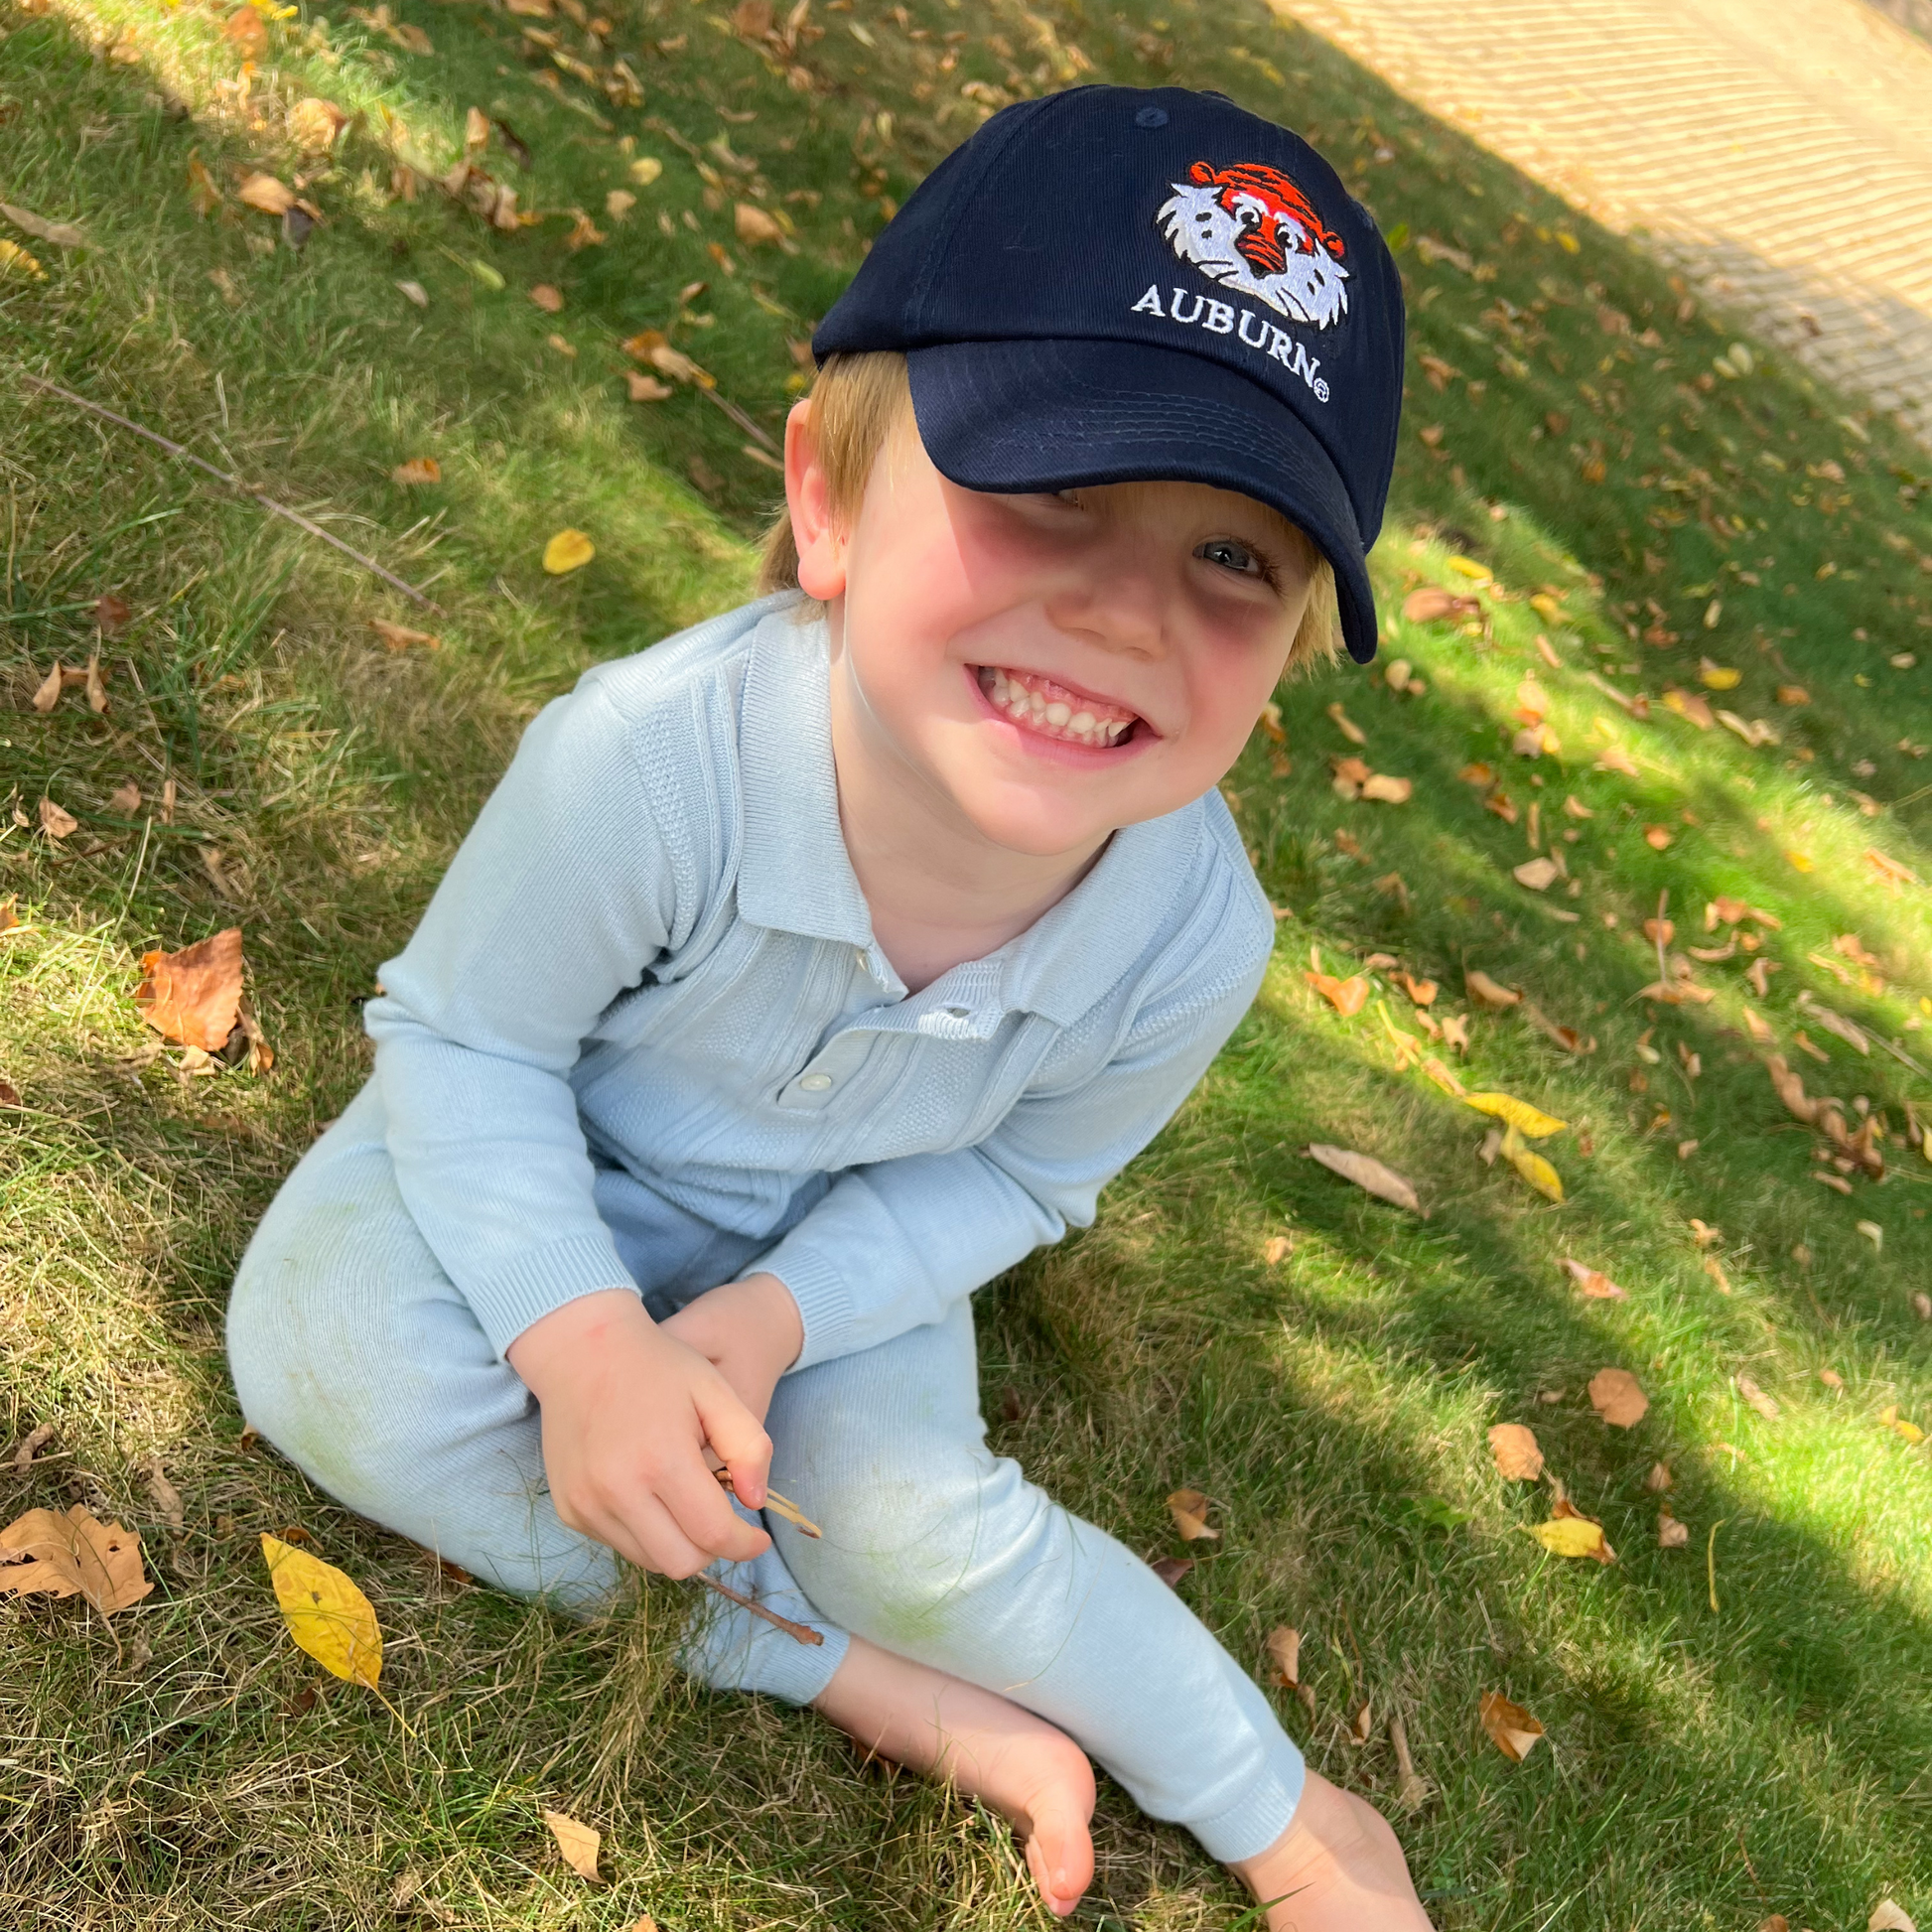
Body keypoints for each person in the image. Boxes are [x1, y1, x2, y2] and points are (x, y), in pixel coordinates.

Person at [226, 83, 1429, 1928]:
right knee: (326, 1359)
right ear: (825, 499)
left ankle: (1286, 1814)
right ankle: (855, 1681)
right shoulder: (648, 763)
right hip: (545, 1151)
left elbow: (1022, 1184)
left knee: (915, 1530)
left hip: (832, 1261)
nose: (1123, 611)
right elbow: (465, 1043)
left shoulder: (1190, 940)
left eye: (1233, 558)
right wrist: (579, 1343)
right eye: (1049, 489)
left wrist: (778, 1316)